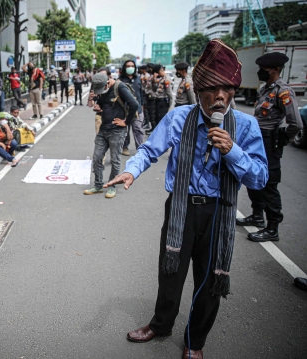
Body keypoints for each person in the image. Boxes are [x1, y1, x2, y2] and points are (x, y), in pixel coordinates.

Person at [105, 39, 268, 359]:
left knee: (209, 284)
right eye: (211, 90)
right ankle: (160, 325)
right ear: (199, 89)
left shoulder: (246, 126)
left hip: (219, 214)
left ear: (233, 90)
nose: (219, 97)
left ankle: (195, 341)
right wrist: (132, 171)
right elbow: (149, 150)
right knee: (170, 273)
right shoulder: (179, 118)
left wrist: (232, 151)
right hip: (181, 210)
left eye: (226, 89)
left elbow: (259, 178)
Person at [236, 52, 303, 242]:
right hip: (256, 139)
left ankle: (272, 228)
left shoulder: (283, 91)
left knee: (269, 184)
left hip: (269, 139)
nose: (260, 72)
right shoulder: (265, 89)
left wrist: (282, 139)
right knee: (252, 176)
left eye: (263, 69)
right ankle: (257, 216)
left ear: (274, 69)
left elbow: (296, 124)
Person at [83, 73, 138, 199]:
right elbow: (103, 104)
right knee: (97, 157)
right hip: (104, 129)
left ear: (107, 82)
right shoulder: (102, 90)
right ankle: (98, 186)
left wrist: (125, 122)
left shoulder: (120, 87)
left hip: (117, 131)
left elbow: (134, 104)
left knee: (115, 160)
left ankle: (112, 186)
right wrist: (98, 105)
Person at [118, 60, 145, 156]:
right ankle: (125, 147)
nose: (130, 68)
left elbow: (141, 94)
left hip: (137, 110)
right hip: (125, 110)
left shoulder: (138, 79)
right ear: (124, 68)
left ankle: (140, 148)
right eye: (128, 66)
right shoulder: (120, 80)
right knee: (125, 130)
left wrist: (142, 107)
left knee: (138, 129)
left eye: (132, 66)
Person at [151, 64, 173, 131]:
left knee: (161, 120)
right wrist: (153, 80)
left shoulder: (167, 79)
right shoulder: (161, 79)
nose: (157, 74)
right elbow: (154, 89)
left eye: (157, 73)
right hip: (158, 101)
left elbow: (169, 93)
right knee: (157, 119)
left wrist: (169, 104)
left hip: (162, 102)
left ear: (160, 71)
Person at [144, 63, 157, 135]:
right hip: (148, 96)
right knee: (149, 112)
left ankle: (154, 129)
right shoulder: (150, 76)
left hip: (152, 97)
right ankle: (152, 127)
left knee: (152, 114)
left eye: (149, 68)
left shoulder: (154, 76)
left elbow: (155, 88)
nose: (148, 69)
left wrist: (154, 79)